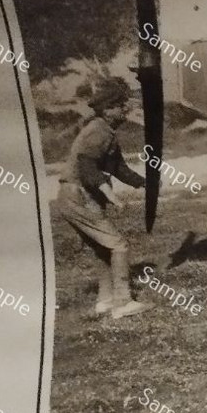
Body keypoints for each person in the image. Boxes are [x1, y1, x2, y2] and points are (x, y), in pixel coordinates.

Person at [56, 76, 150, 319]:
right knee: (119, 245)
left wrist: (145, 183)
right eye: (121, 106)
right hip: (79, 195)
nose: (125, 110)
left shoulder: (104, 130)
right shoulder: (99, 131)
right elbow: (87, 166)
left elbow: (118, 168)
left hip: (70, 196)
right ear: (108, 110)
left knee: (102, 248)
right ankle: (122, 302)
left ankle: (105, 300)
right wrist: (112, 196)